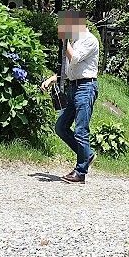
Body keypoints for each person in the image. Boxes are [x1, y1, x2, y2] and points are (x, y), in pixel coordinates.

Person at [41, 10, 99, 184]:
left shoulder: (89, 40)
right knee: (61, 127)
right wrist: (53, 78)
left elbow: (74, 59)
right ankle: (87, 155)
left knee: (81, 130)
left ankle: (80, 172)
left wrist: (64, 42)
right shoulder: (73, 41)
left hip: (86, 87)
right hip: (73, 87)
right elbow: (70, 70)